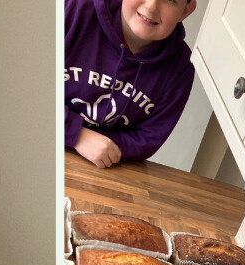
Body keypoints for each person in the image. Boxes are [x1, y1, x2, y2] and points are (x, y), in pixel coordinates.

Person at [65, 0, 197, 168]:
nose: (151, 6)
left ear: (186, 10)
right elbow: (28, 89)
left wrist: (100, 145)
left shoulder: (181, 71)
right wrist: (77, 135)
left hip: (98, 167)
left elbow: (147, 139)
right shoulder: (72, 10)